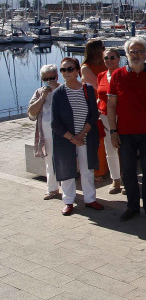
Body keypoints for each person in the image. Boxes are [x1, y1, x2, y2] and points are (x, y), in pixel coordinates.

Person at [108, 37, 146, 221]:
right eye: (132, 51)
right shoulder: (117, 75)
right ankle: (132, 205)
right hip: (125, 133)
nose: (136, 55)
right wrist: (113, 131)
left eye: (140, 51)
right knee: (128, 171)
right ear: (127, 54)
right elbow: (111, 106)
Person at [51, 57, 104, 215]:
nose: (66, 73)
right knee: (66, 169)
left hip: (86, 137)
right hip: (65, 139)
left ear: (77, 71)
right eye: (63, 70)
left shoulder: (87, 89)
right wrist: (73, 138)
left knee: (87, 169)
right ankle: (68, 201)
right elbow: (55, 123)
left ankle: (90, 199)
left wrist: (81, 134)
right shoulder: (58, 94)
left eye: (70, 69)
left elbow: (94, 115)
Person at [27, 64, 62, 200]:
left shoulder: (63, 89)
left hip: (63, 133)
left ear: (57, 77)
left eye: (51, 78)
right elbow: (31, 113)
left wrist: (55, 90)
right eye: (45, 79)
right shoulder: (38, 92)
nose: (49, 81)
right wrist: (42, 98)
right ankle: (52, 189)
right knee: (49, 161)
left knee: (63, 161)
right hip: (45, 133)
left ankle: (67, 191)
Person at [80, 39, 108, 181]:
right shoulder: (85, 67)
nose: (104, 50)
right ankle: (99, 171)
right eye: (102, 48)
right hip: (94, 106)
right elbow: (98, 85)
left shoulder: (105, 63)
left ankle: (112, 169)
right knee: (99, 140)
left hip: (108, 103)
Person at [95, 48, 123, 194]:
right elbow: (99, 96)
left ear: (118, 59)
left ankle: (127, 178)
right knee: (110, 149)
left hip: (123, 116)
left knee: (125, 149)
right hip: (105, 117)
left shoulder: (125, 74)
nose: (109, 60)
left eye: (112, 57)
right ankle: (115, 180)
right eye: (106, 58)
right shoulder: (101, 76)